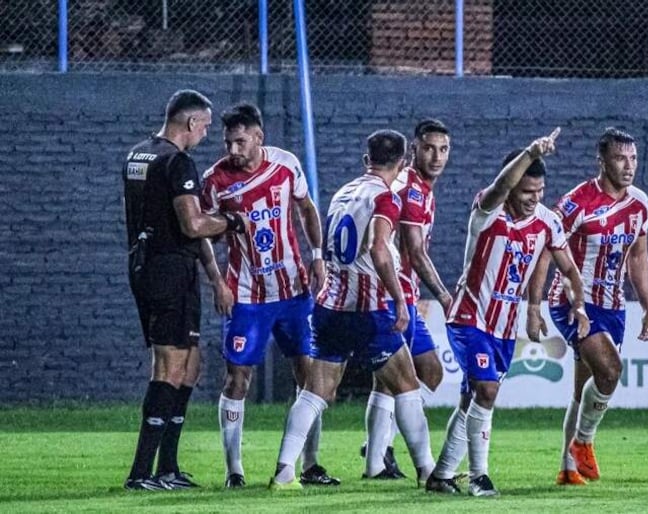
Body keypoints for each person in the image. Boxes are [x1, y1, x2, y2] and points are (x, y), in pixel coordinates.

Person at [425, 128, 590, 496]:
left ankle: (441, 475)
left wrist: (577, 305)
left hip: (502, 327)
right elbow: (499, 187)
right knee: (486, 390)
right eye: (527, 192)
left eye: (540, 193)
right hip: (469, 318)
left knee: (472, 398)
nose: (534, 199)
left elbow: (570, 270)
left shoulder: (547, 222)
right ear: (513, 187)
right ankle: (480, 476)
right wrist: (532, 151)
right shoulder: (487, 210)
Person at [269, 129, 436, 490]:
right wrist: (399, 299)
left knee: (315, 392)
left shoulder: (343, 192)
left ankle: (284, 471)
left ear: (367, 160)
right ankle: (428, 471)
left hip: (330, 305)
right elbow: (378, 249)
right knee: (407, 385)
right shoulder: (387, 199)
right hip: (368, 310)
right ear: (404, 163)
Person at [200, 102, 338, 488]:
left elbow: (308, 210)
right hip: (246, 296)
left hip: (294, 291)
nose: (233, 149)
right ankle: (234, 471)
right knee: (237, 379)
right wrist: (218, 282)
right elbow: (201, 235)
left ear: (259, 137)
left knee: (310, 376)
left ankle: (308, 465)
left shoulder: (285, 164)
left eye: (240, 141)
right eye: (228, 142)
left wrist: (317, 257)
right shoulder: (215, 181)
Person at [122, 89, 248, 491]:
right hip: (168, 270)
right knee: (169, 366)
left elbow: (184, 227)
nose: (207, 133)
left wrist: (214, 277)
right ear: (191, 123)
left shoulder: (140, 154)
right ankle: (141, 473)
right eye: (206, 126)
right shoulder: (178, 161)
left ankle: (168, 468)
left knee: (190, 366)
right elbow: (193, 226)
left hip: (153, 264)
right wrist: (231, 222)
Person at [526, 127, 648, 486]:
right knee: (611, 371)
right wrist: (533, 306)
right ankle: (583, 443)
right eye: (619, 158)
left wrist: (647, 306)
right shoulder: (576, 202)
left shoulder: (639, 203)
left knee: (581, 389)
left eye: (633, 158)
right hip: (571, 302)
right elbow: (544, 253)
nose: (628, 165)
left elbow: (639, 257)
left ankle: (568, 469)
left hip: (614, 306)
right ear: (601, 160)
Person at [362, 119, 453, 479]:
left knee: (386, 381)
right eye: (429, 148)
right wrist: (445, 295)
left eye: (444, 149)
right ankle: (398, 458)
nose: (436, 156)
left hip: (391, 294)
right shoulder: (412, 190)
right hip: (393, 296)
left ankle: (376, 458)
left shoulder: (415, 188)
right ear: (413, 150)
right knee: (429, 372)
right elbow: (414, 251)